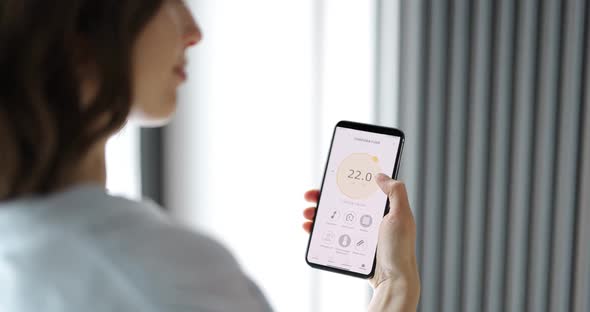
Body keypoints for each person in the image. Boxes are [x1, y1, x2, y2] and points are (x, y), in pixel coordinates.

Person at [0, 0, 420, 311]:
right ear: (83, 29)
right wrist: (398, 287)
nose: (194, 29)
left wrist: (390, 287)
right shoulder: (166, 276)